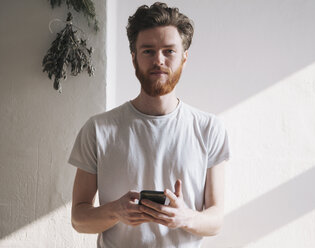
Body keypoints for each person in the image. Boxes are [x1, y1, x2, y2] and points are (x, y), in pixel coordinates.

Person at [68, 2, 230, 247]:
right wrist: (115, 211)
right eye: (148, 51)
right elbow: (79, 219)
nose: (159, 60)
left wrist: (184, 217)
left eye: (169, 51)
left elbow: (216, 220)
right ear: (134, 58)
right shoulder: (98, 129)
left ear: (184, 58)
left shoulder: (209, 128)